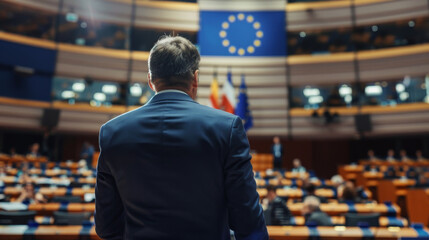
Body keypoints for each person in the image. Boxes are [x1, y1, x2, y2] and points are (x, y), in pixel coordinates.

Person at [95, 36, 268, 240]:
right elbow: (248, 222)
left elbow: (106, 227)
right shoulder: (227, 128)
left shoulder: (112, 132)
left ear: (151, 80)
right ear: (195, 78)